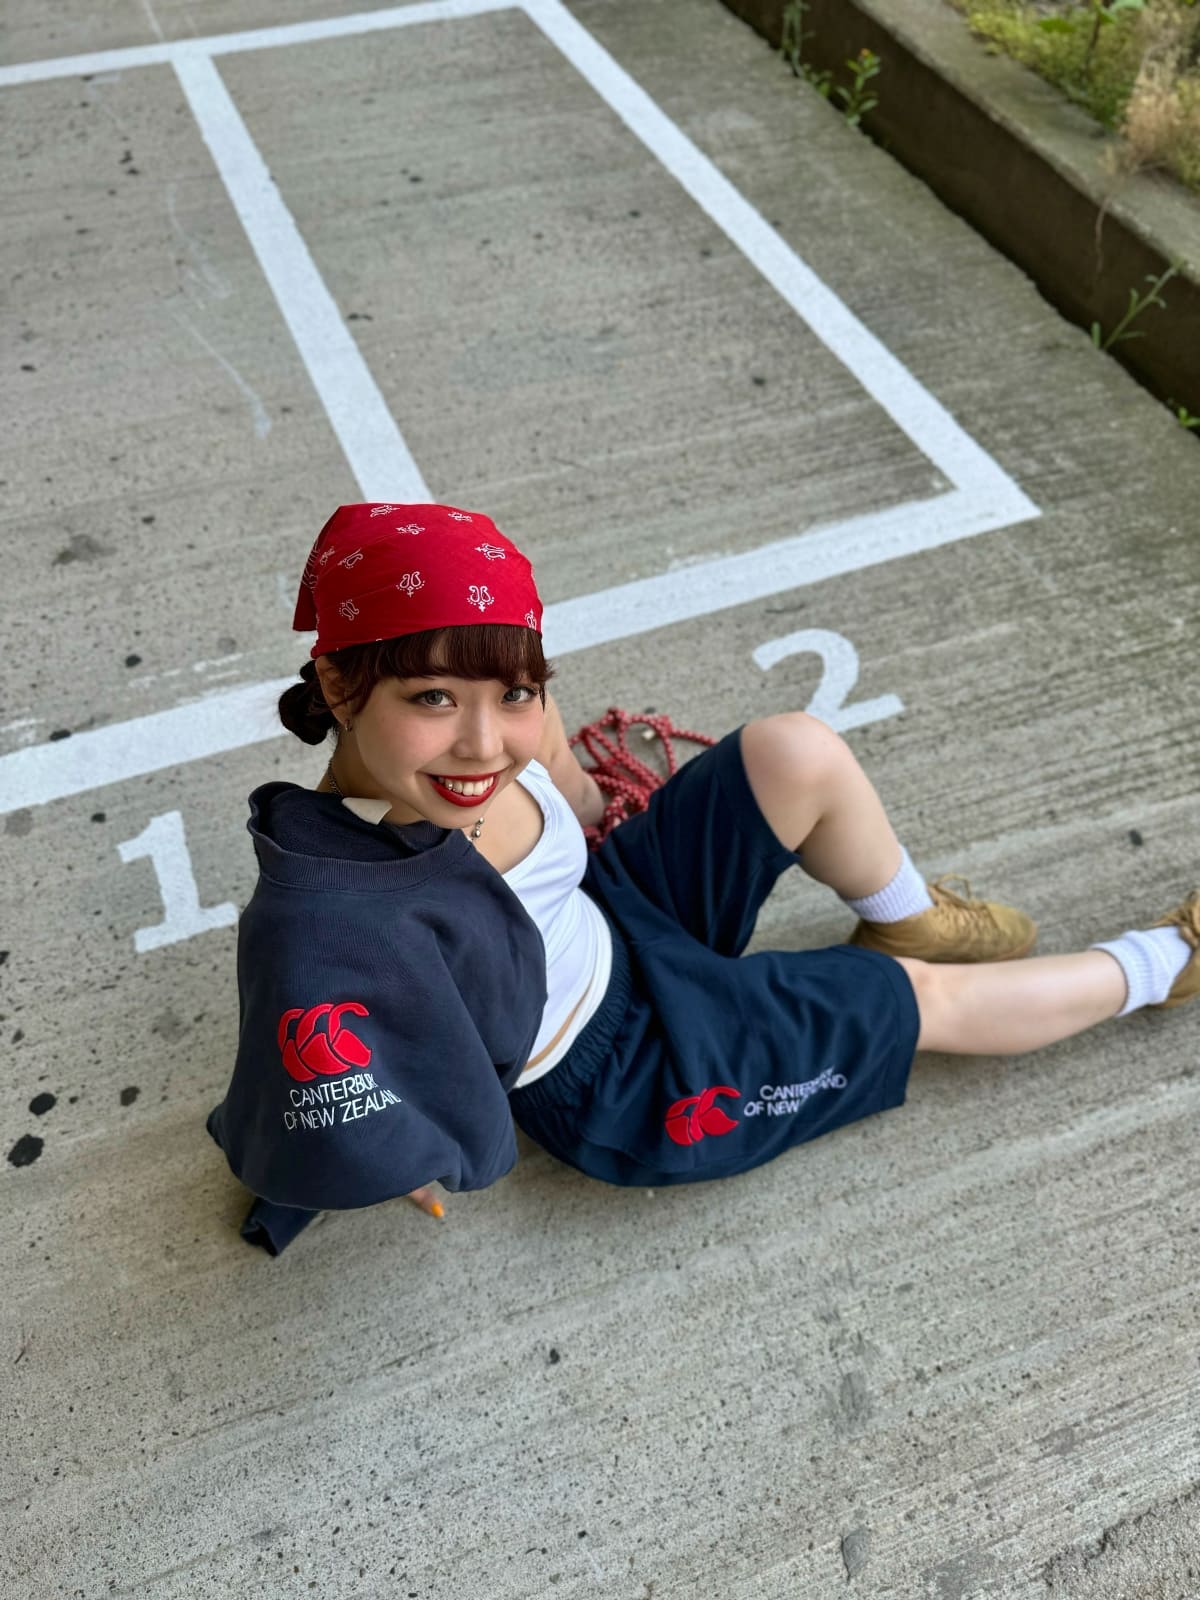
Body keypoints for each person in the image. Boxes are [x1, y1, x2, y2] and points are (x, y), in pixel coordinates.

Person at [205, 502, 1199, 1255]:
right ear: (339, 683)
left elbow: (573, 798)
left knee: (792, 751)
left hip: (616, 912)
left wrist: (602, 804)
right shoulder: (331, 917)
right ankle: (1166, 962)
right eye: (430, 697)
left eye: (514, 689)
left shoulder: (505, 733)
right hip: (623, 1072)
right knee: (914, 1000)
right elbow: (312, 1082)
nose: (483, 743)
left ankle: (909, 915)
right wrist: (399, 1149)